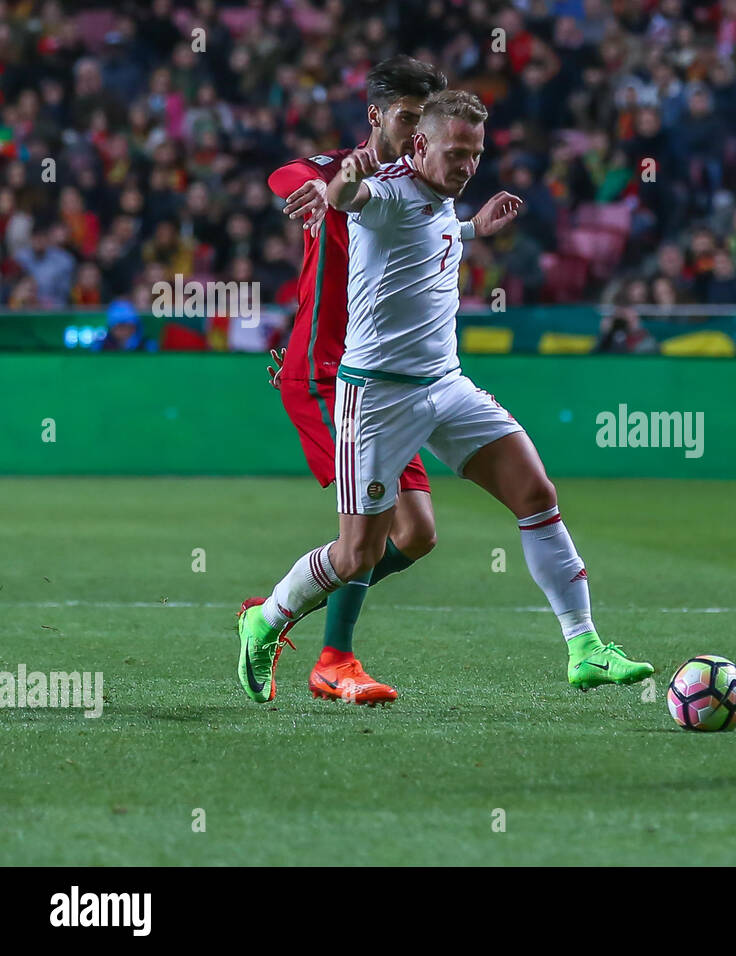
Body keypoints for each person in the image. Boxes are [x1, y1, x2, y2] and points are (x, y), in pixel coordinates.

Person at [235, 90, 654, 704]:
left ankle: (585, 646)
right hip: (375, 401)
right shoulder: (386, 192)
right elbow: (356, 201)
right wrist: (343, 182)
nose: (467, 166)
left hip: (445, 385)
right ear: (420, 144)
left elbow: (428, 232)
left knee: (536, 493)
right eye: (457, 152)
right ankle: (266, 619)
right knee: (358, 555)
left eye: (477, 154)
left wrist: (471, 227)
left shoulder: (438, 201)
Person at [248, 56, 451, 705]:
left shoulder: (422, 185)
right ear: (376, 115)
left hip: (386, 378)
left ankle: (282, 612)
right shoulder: (332, 171)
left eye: (429, 120)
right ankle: (334, 657)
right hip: (326, 373)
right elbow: (285, 175)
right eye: (409, 117)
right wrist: (330, 185)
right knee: (365, 535)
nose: (420, 132)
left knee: (416, 534)